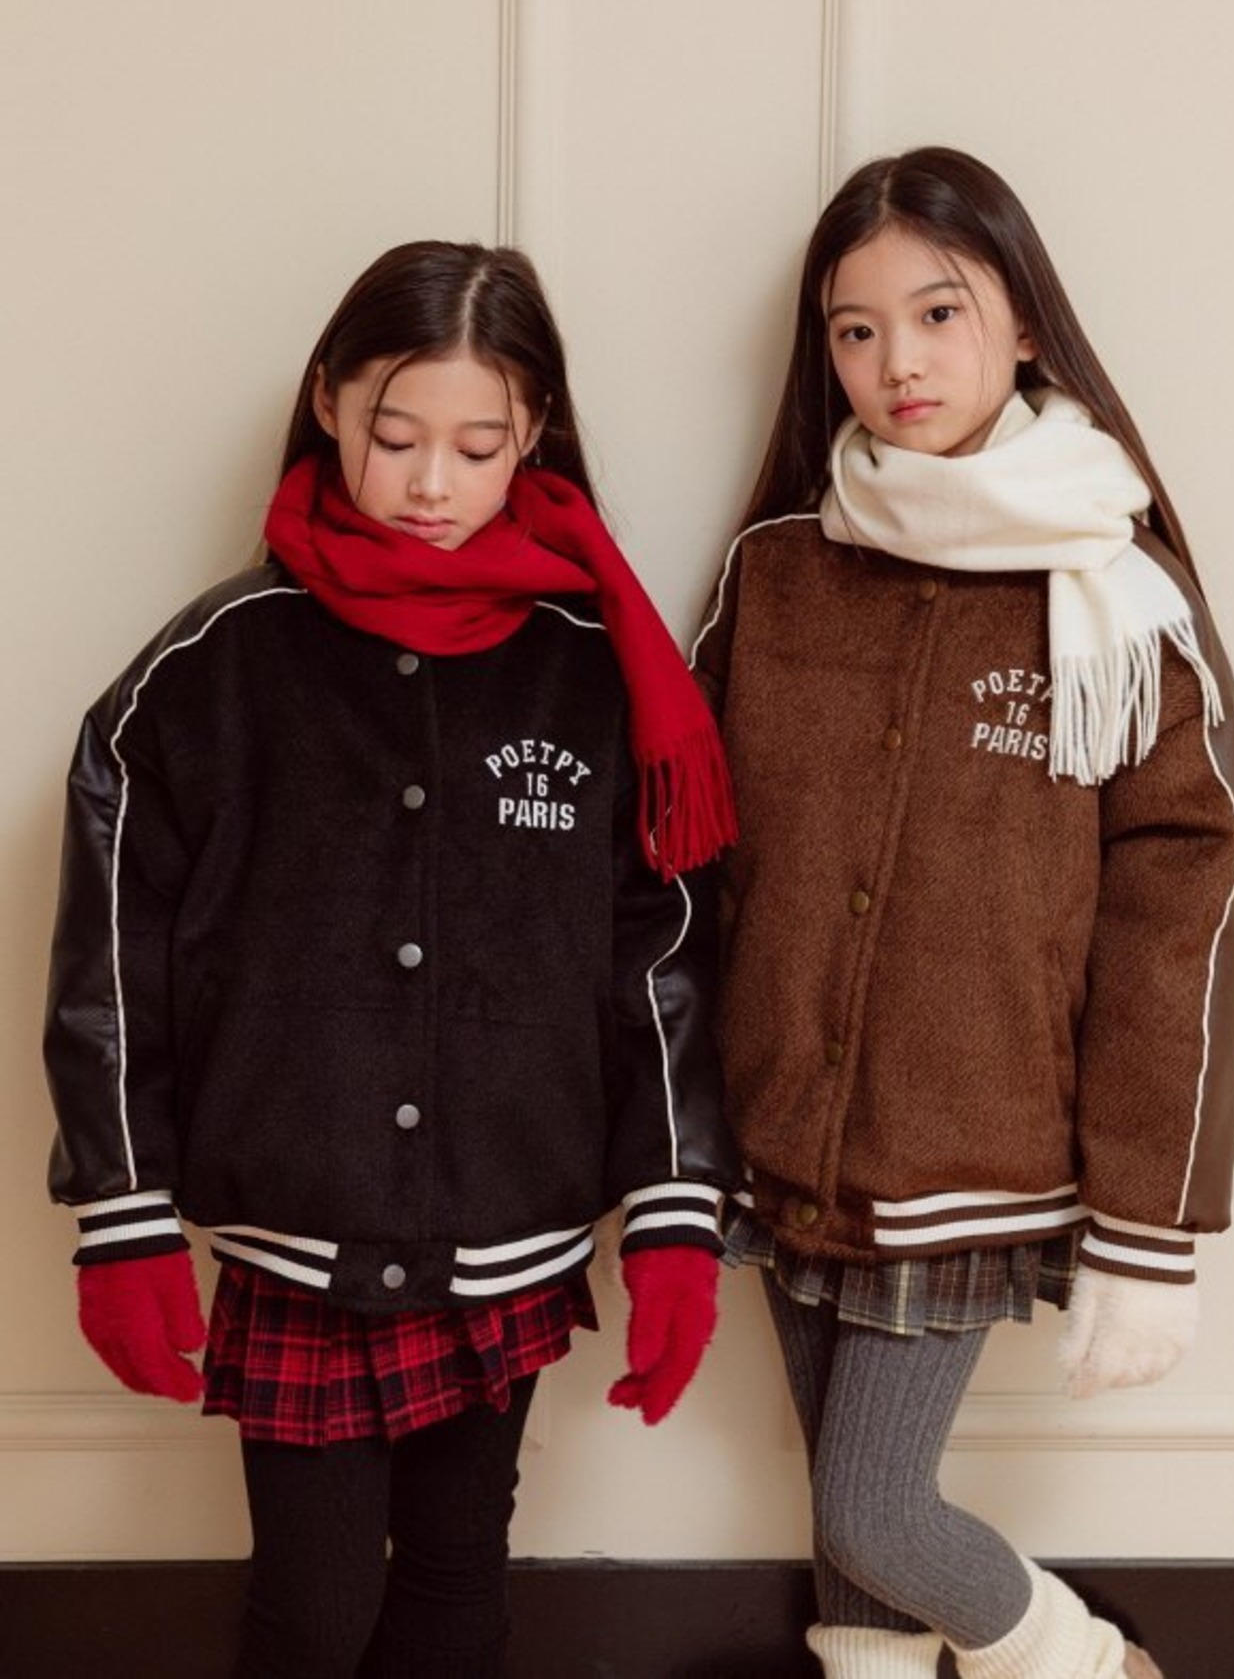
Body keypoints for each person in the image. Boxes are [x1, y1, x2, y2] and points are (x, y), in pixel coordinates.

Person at [43, 240, 741, 1679]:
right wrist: (121, 1210)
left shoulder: (600, 669)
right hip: (296, 1232)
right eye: (394, 432)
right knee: (310, 1618)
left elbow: (660, 956)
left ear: (533, 432)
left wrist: (678, 1211)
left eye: (477, 445)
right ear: (326, 401)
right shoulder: (209, 672)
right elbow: (112, 954)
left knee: (458, 1591)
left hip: (511, 1227)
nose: (431, 483)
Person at [692, 148, 1234, 1679]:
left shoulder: (1121, 598)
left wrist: (1151, 1224)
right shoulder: (776, 574)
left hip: (974, 1148)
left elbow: (1179, 924)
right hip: (779, 1129)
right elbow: (689, 863)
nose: (899, 362)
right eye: (855, 329)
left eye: (939, 313)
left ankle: (1084, 1666)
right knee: (843, 1527)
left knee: (874, 1512)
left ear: (1023, 326)